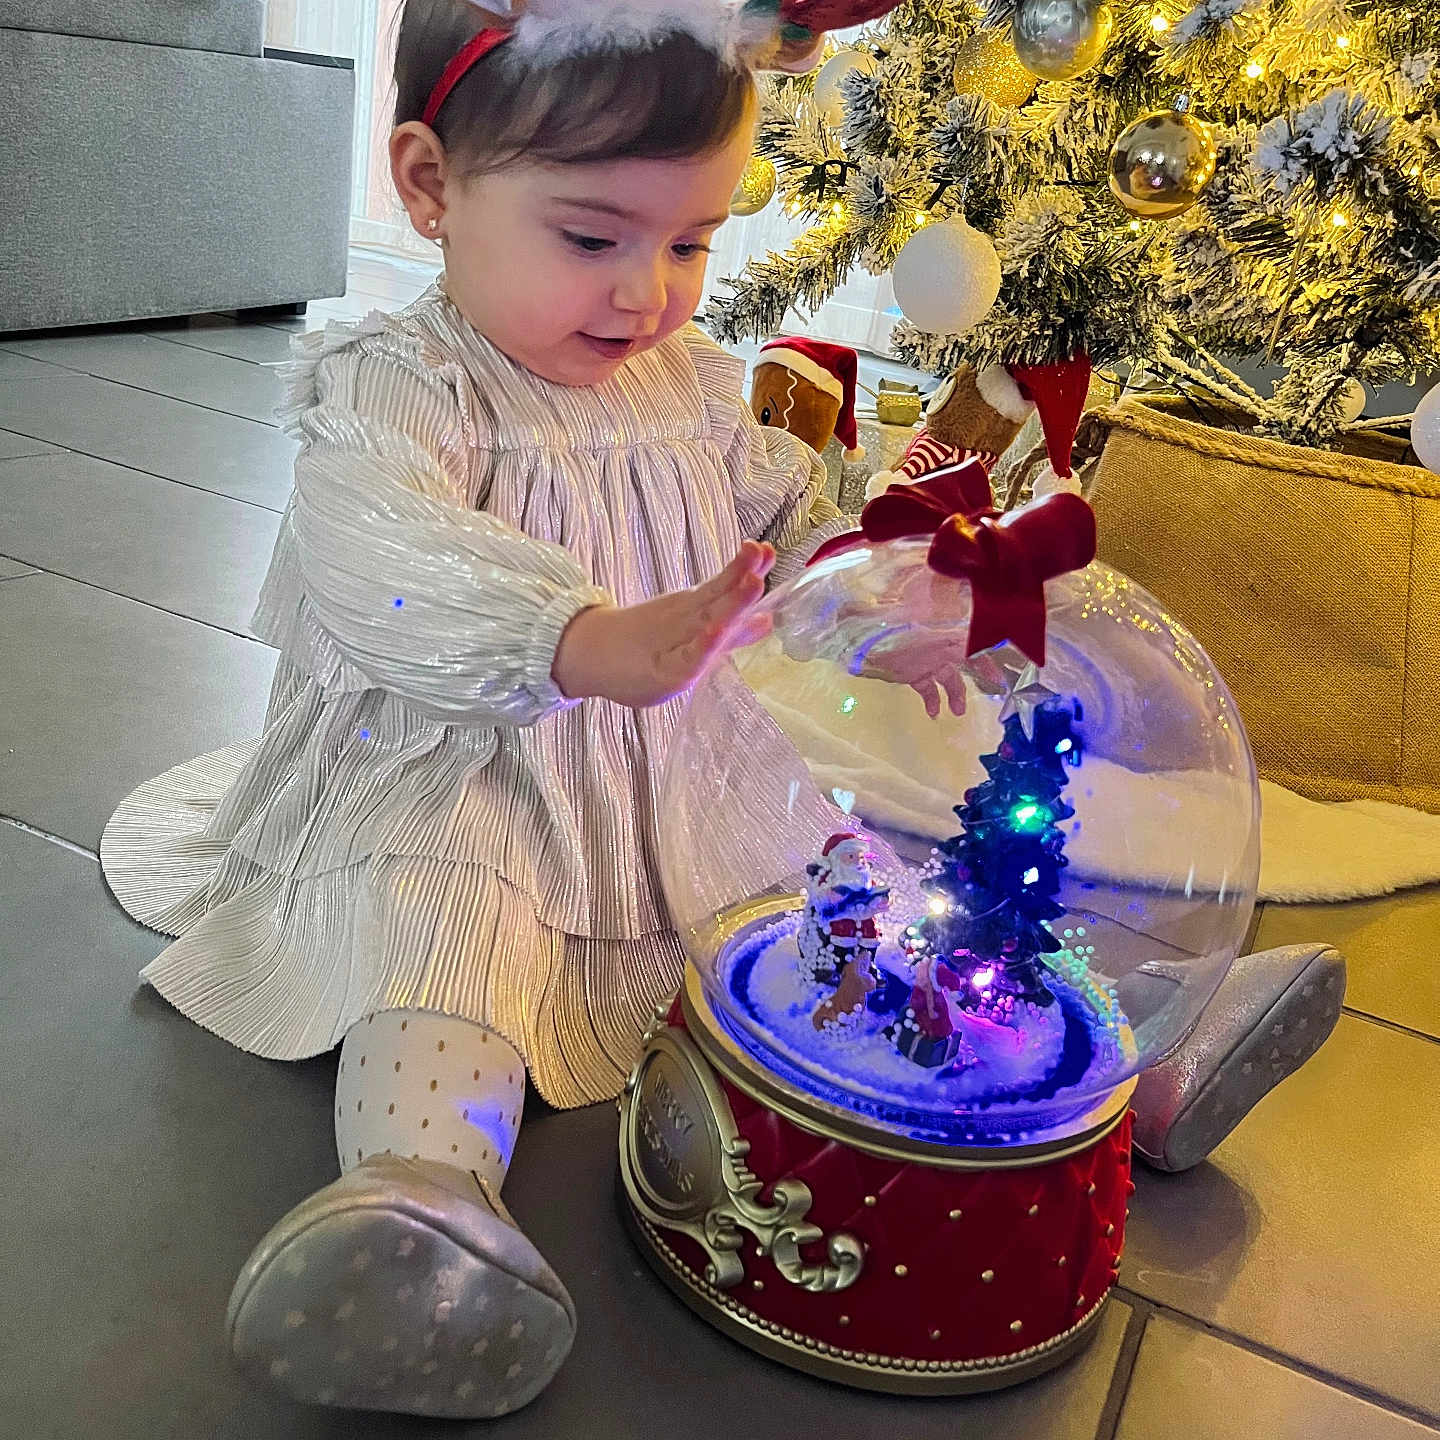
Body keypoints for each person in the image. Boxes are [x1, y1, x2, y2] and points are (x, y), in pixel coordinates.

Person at [99, 0, 1347, 1422]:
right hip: (467, 764)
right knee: (440, 929)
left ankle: (1132, 1077)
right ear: (431, 186)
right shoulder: (403, 381)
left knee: (861, 895)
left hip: (681, 769)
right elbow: (375, 553)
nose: (649, 292)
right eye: (593, 237)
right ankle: (422, 1204)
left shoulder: (688, 384)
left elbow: (789, 521)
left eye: (691, 242)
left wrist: (871, 599)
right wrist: (570, 636)